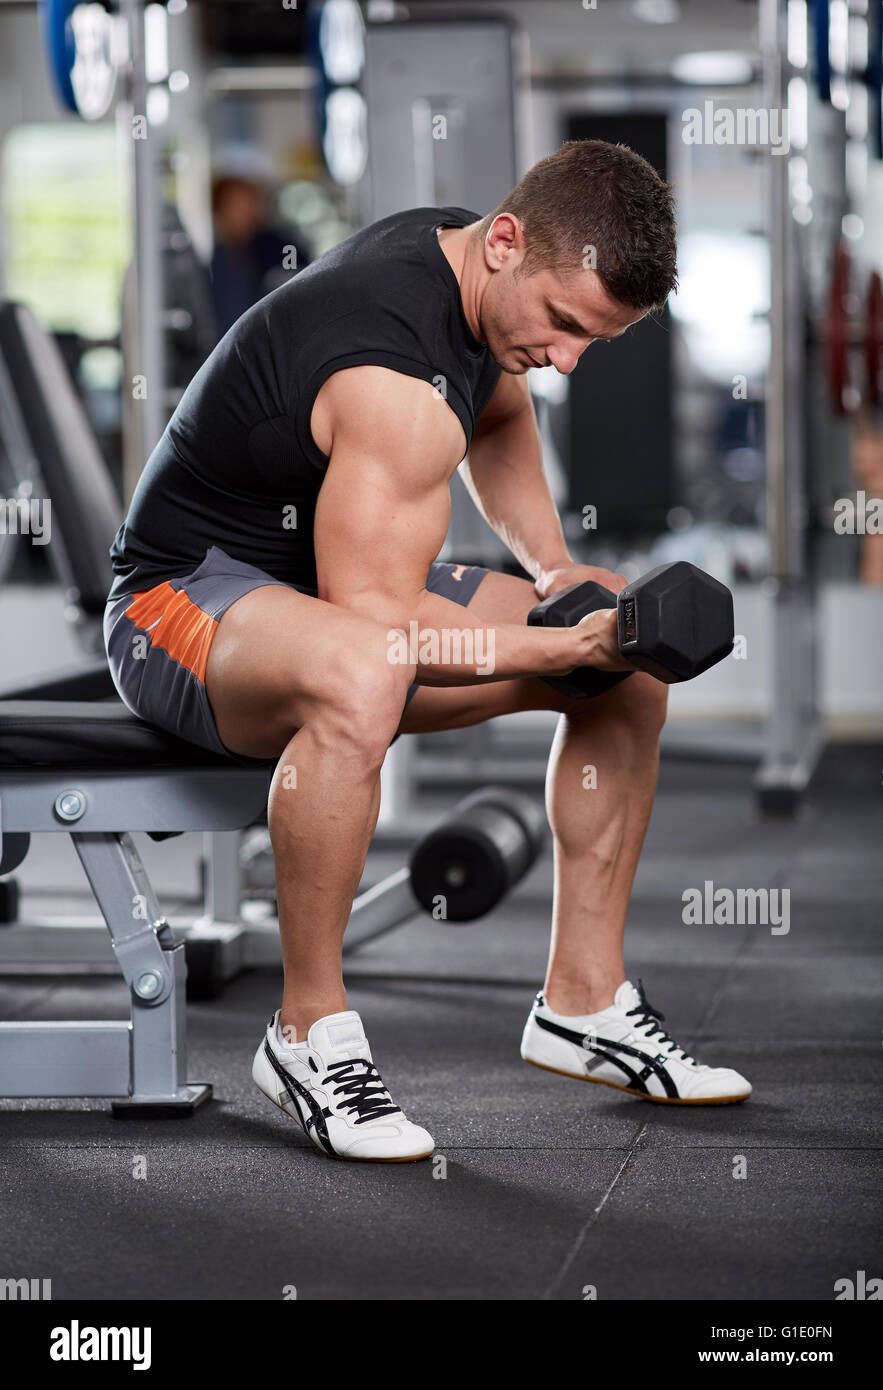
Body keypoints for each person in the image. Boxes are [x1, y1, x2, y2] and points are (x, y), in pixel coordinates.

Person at [104, 139, 751, 1164]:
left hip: (313, 591)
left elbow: (496, 414)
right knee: (368, 670)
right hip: (178, 607)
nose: (571, 359)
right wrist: (556, 642)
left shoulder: (464, 265)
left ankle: (582, 998)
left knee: (623, 663)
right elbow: (384, 633)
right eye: (569, 326)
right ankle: (307, 1030)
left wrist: (556, 580)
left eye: (599, 340)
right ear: (506, 242)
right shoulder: (387, 375)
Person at [209, 174, 311, 336]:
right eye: (235, 208)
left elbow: (298, 292)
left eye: (247, 207)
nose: (243, 215)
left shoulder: (284, 248)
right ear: (219, 211)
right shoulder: (218, 257)